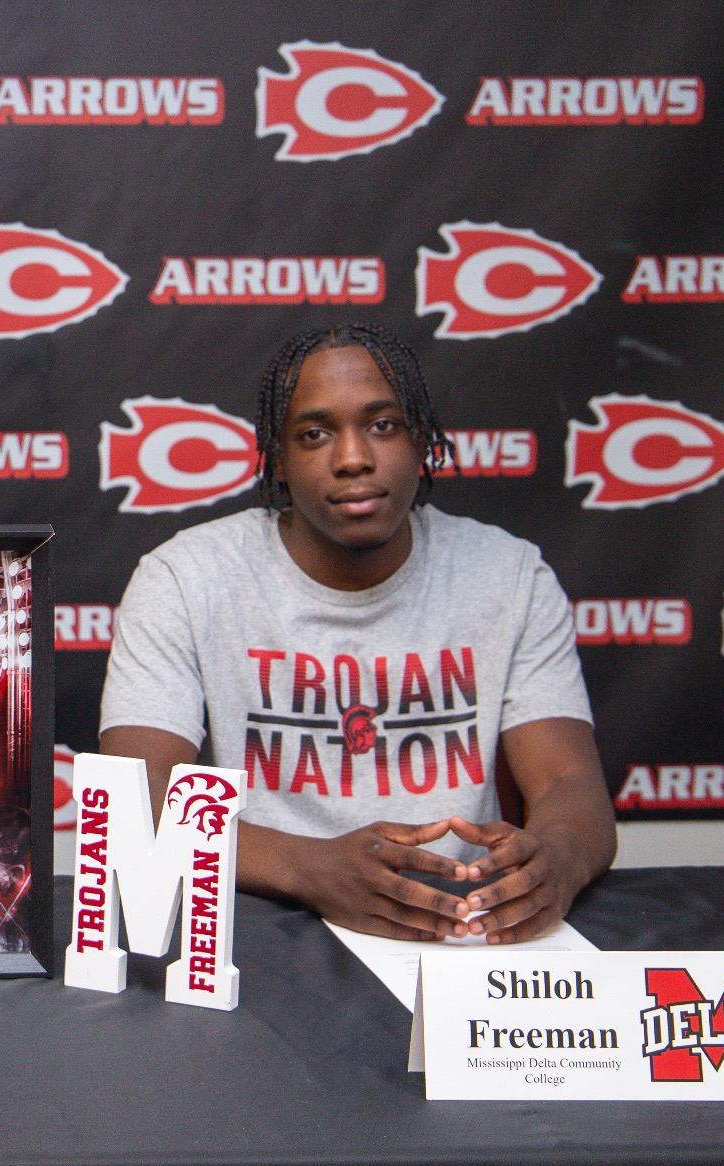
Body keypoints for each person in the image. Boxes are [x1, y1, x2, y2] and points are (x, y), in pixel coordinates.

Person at [99, 323, 615, 945]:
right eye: (314, 434)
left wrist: (556, 860)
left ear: (422, 441)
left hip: (455, 923)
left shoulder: (508, 575)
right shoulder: (185, 578)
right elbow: (135, 801)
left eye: (383, 425)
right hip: (261, 919)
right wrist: (312, 868)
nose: (353, 458)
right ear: (279, 461)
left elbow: (568, 785)